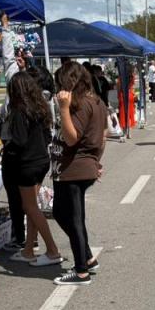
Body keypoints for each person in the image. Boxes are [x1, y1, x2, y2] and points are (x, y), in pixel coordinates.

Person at [50, 62, 105, 285]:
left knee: (73, 219)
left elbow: (72, 138)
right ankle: (87, 257)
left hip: (74, 168)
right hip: (77, 167)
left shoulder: (82, 104)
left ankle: (81, 270)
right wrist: (97, 161)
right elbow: (102, 137)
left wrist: (64, 108)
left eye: (59, 83)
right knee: (64, 214)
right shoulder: (96, 101)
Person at [1, 71, 63, 266]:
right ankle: (28, 250)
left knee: (30, 207)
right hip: (41, 160)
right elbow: (47, 136)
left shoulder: (19, 111)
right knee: (33, 206)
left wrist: (7, 149)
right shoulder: (40, 107)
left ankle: (52, 250)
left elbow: (19, 141)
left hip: (27, 164)